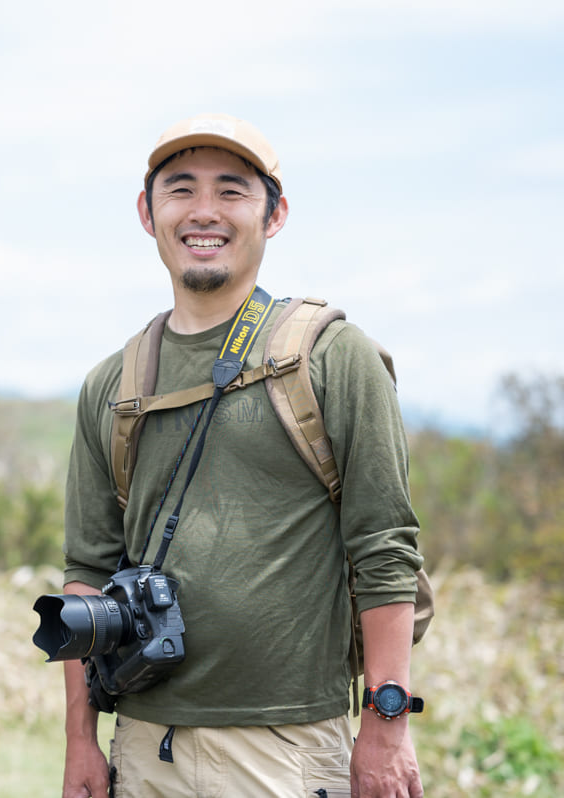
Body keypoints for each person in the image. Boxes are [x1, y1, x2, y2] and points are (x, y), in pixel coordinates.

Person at [59, 113, 424, 798]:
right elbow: (87, 568)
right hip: (144, 744)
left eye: (231, 191)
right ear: (147, 212)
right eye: (180, 190)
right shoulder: (111, 384)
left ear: (274, 213)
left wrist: (386, 724)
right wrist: (81, 742)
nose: (204, 212)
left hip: (287, 746)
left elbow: (386, 549)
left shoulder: (331, 357)